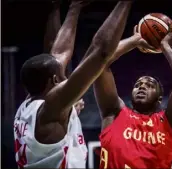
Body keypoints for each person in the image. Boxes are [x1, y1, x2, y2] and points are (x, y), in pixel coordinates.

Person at [13, 0, 133, 168]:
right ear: (54, 81)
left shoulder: (28, 106)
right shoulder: (51, 109)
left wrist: (74, 8)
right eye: (62, 75)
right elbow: (101, 52)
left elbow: (57, 53)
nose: (65, 77)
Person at [94, 24, 172, 169]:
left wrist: (165, 46)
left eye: (150, 85)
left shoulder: (168, 123)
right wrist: (134, 40)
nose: (142, 86)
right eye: (138, 85)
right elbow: (100, 64)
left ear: (159, 98)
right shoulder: (114, 113)